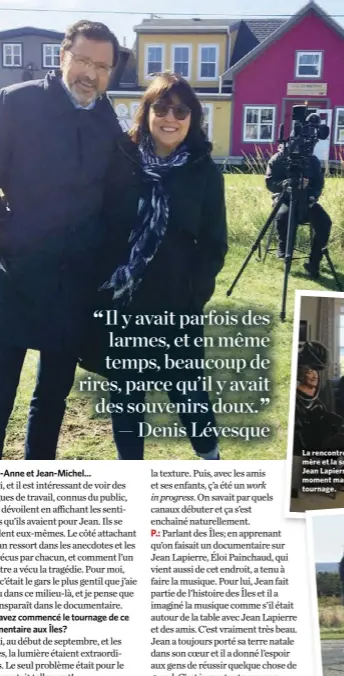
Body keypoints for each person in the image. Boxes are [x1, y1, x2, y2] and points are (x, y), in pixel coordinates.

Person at [0, 20, 122, 460]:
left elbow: (112, 198)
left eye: (102, 66)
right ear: (63, 56)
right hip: (16, 275)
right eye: (84, 60)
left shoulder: (107, 120)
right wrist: (8, 239)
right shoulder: (16, 103)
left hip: (73, 285)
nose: (91, 74)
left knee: (51, 403)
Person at [83, 72, 228, 460]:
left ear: (192, 119)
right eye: (162, 107)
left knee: (188, 388)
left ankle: (210, 462)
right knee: (126, 392)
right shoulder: (121, 160)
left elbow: (215, 244)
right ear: (146, 112)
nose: (171, 117)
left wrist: (195, 295)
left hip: (177, 303)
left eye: (181, 111)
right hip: (123, 303)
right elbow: (98, 224)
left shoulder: (204, 171)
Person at [293, 342, 344, 496]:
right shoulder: (295, 396)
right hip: (311, 441)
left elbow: (320, 416)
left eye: (316, 372)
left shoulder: (315, 394)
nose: (314, 375)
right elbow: (302, 426)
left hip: (321, 435)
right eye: (310, 372)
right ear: (301, 374)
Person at [265, 145, 331, 278]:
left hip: (306, 200)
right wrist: (288, 183)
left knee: (325, 222)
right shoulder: (278, 159)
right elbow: (270, 183)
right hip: (283, 198)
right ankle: (283, 248)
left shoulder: (312, 160)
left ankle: (314, 262)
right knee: (285, 216)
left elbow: (318, 184)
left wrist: (312, 196)